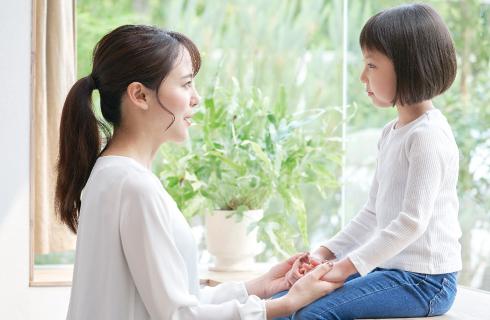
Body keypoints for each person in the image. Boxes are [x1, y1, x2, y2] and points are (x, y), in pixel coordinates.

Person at [55, 25, 340, 320]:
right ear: (140, 95)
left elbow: (176, 300)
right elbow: (178, 316)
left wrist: (264, 286)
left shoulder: (111, 175)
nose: (196, 98)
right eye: (186, 83)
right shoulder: (133, 186)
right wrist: (285, 304)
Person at [274, 4, 461, 319]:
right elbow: (373, 212)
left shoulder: (428, 135)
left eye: (371, 66)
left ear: (408, 67)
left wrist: (346, 267)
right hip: (391, 270)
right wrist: (326, 252)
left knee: (311, 315)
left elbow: (411, 222)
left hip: (426, 282)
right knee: (284, 300)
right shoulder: (392, 132)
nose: (363, 76)